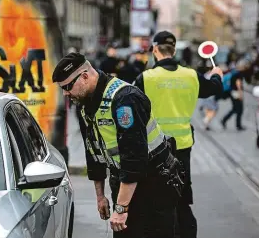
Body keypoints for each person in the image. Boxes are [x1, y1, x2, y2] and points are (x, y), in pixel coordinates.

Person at [52, 52, 184, 238]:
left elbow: (134, 159)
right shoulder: (84, 105)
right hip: (123, 183)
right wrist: (100, 196)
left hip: (154, 184)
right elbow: (93, 153)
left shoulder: (125, 99)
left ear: (85, 76)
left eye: (67, 86)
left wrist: (121, 208)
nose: (65, 93)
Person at [134, 31, 223, 238]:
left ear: (155, 50)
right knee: (181, 197)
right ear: (173, 50)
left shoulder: (145, 78)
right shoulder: (191, 75)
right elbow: (214, 89)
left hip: (154, 149)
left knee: (157, 198)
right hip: (183, 147)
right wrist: (217, 73)